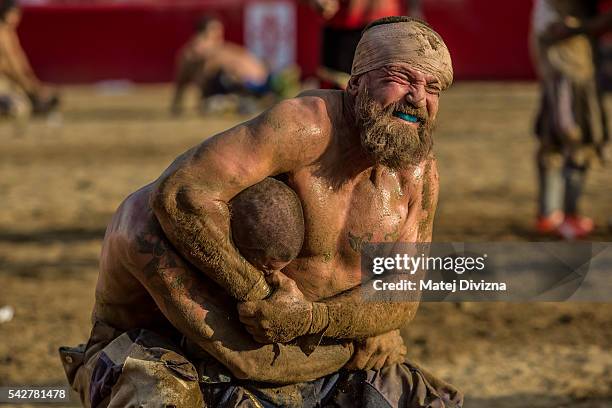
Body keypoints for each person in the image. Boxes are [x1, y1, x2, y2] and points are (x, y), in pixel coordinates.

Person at [60, 16, 462, 407]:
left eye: (433, 88)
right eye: (402, 78)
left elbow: (401, 296)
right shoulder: (305, 129)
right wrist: (267, 297)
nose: (418, 98)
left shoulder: (418, 171)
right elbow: (182, 197)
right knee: (160, 391)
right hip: (196, 347)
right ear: (355, 84)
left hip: (303, 347)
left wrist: (317, 321)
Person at [531, 0, 610, 239]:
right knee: (566, 137)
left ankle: (558, 214)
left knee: (568, 137)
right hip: (566, 64)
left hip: (569, 62)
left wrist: (577, 28)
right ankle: (561, 216)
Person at [171, 15, 293, 115]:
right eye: (215, 32)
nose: (219, 36)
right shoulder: (195, 53)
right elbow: (188, 78)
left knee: (281, 80)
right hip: (242, 85)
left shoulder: (221, 49)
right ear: (204, 33)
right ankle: (246, 100)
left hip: (255, 81)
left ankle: (254, 98)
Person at [0, 0, 58, 118]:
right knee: (20, 107)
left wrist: (34, 84)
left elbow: (21, 62)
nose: (16, 18)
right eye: (14, 14)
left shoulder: (9, 33)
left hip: (10, 80)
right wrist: (31, 87)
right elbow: (13, 66)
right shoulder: (3, 34)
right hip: (4, 82)